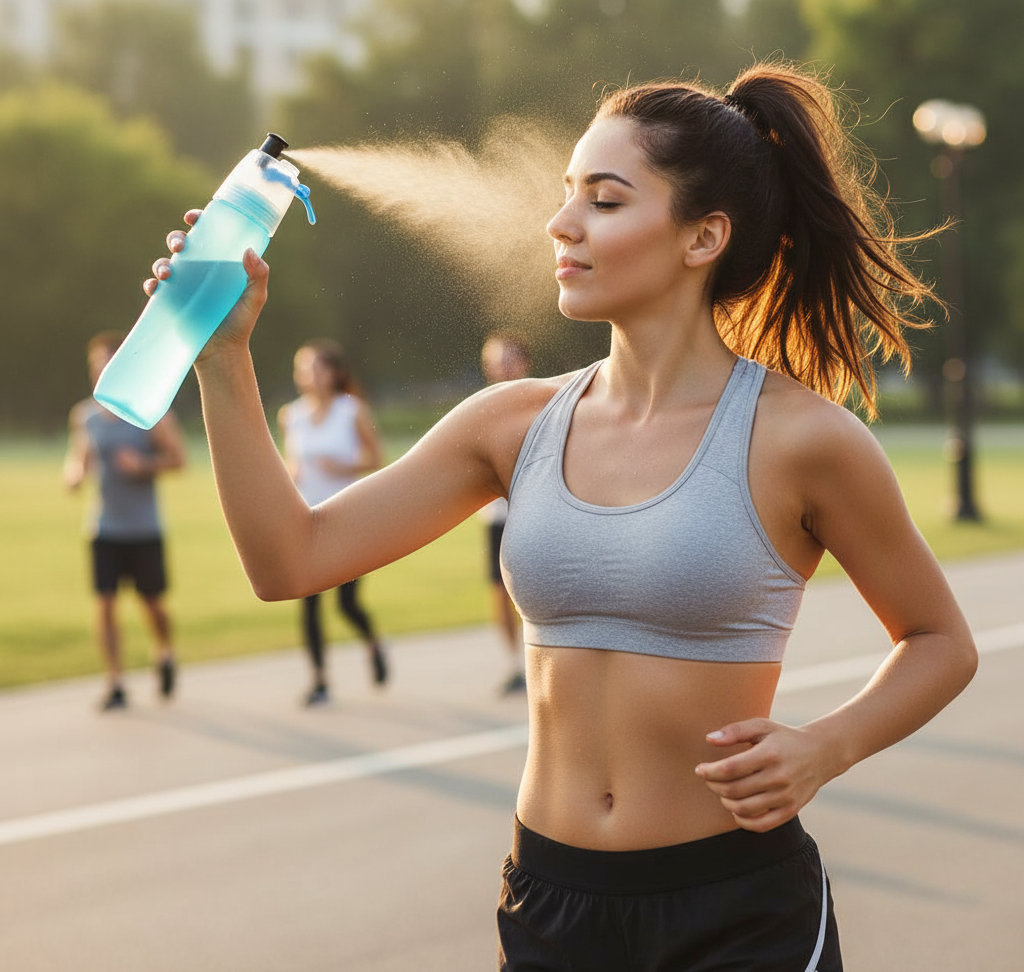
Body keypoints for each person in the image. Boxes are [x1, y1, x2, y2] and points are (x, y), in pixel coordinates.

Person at [145, 61, 977, 970]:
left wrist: (827, 746)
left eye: (605, 200)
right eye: (565, 193)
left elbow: (939, 639)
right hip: (550, 907)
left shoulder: (802, 440)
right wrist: (223, 359)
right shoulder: (511, 424)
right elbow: (289, 561)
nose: (561, 223)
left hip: (739, 913)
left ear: (703, 238)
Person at [64, 331, 186, 711]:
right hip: (103, 527)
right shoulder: (85, 416)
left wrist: (143, 465)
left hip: (144, 528)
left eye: (106, 361)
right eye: (95, 364)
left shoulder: (151, 411)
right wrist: (73, 474)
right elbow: (80, 457)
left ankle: (164, 652)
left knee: (152, 605)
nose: (100, 370)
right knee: (105, 605)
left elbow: (179, 460)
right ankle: (115, 681)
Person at [278, 338, 388, 706]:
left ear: (334, 372)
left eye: (316, 366)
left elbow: (377, 458)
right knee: (307, 601)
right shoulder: (290, 415)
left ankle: (372, 644)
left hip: (346, 518)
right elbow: (294, 466)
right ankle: (320, 680)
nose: (308, 374)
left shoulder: (351, 410)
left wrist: (343, 466)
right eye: (303, 367)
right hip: (306, 519)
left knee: (346, 604)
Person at [479, 332, 531, 694]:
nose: (504, 365)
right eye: (497, 360)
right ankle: (514, 664)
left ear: (524, 362)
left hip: (535, 513)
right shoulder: (481, 408)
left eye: (510, 358)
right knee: (499, 592)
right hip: (498, 516)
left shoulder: (545, 400)